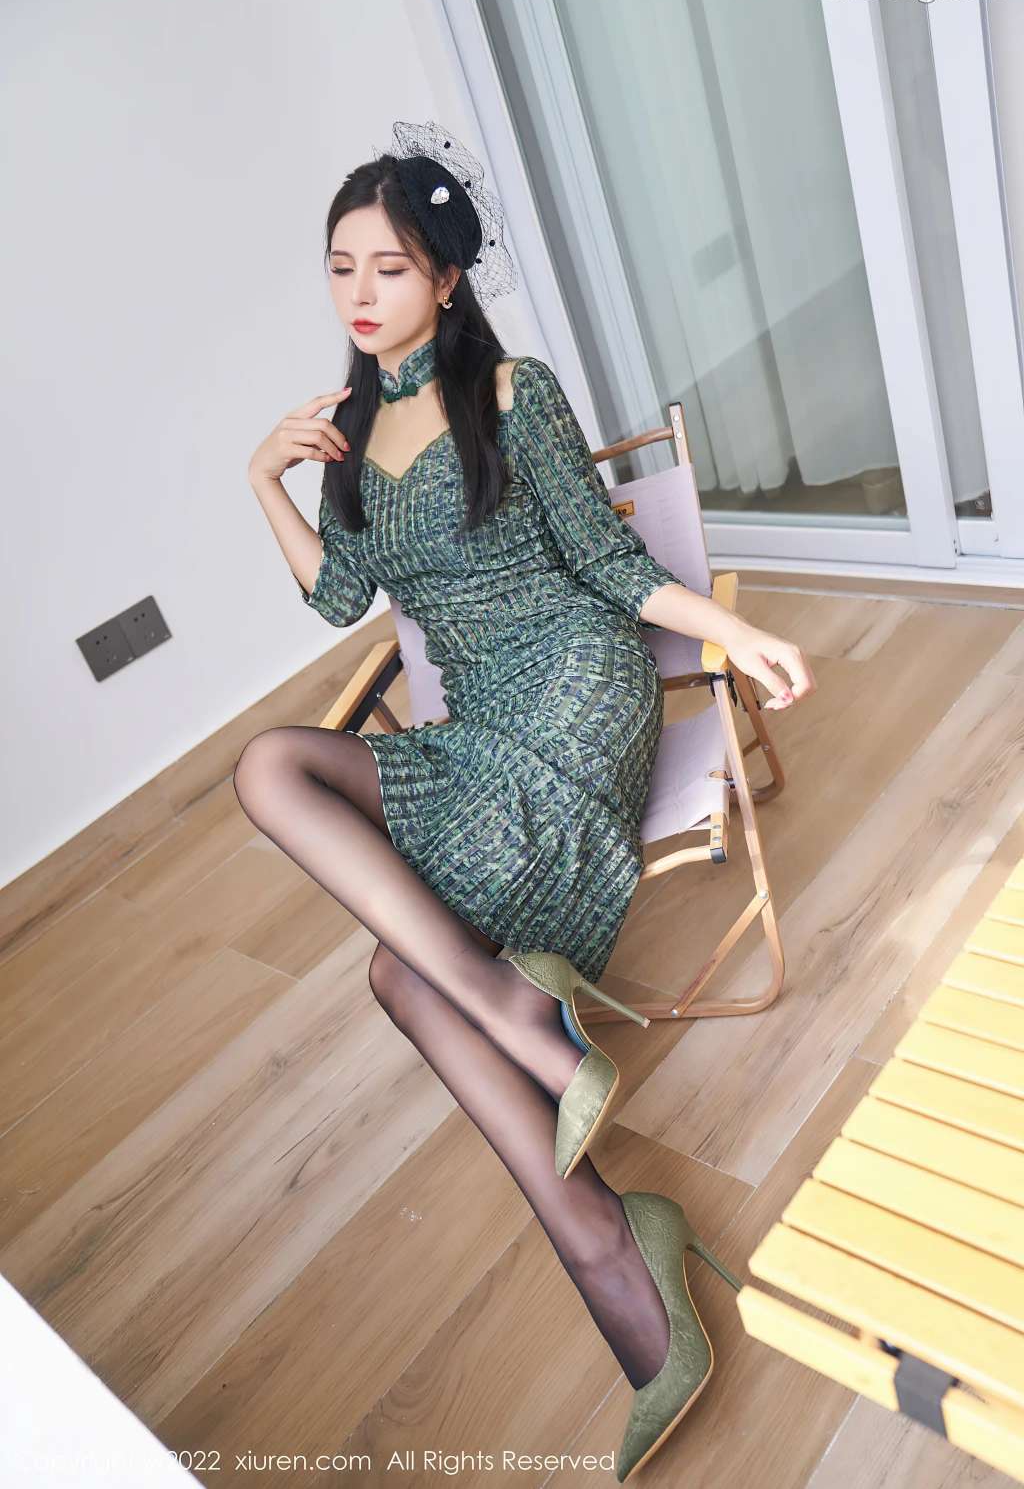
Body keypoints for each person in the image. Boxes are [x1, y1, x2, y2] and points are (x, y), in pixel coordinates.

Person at [234, 120, 815, 1481]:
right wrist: (265, 476)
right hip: (476, 722)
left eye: (389, 266)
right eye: (340, 268)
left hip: (576, 688)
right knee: (276, 775)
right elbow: (339, 595)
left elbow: (611, 571)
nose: (360, 291)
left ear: (445, 279)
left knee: (400, 971)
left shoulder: (513, 392)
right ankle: (566, 1122)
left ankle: (611, 1252)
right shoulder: (349, 433)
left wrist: (733, 635)